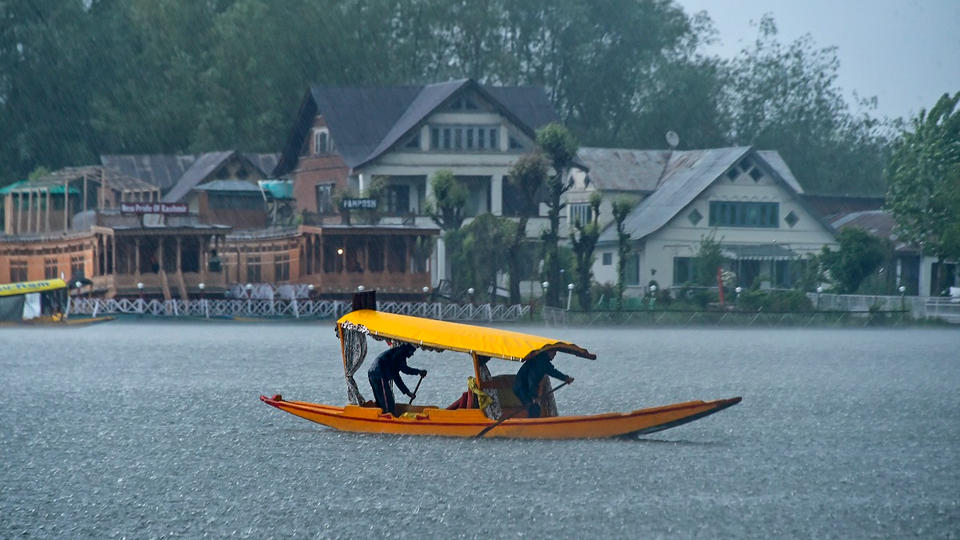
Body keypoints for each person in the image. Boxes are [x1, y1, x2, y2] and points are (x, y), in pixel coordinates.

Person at [367, 343, 427, 416]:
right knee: (386, 400)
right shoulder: (400, 353)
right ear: (408, 350)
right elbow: (405, 369)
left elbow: (396, 377)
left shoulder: (395, 356)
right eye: (412, 352)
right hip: (379, 374)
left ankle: (386, 415)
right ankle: (388, 417)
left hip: (374, 374)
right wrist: (419, 372)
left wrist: (407, 392)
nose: (412, 355)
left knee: (385, 399)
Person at [512, 350, 574, 418]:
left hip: (523, 387)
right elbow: (532, 379)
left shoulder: (543, 361)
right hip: (521, 387)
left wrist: (565, 378)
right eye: (554, 352)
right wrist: (534, 396)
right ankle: (529, 427)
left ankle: (533, 425)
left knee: (536, 409)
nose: (555, 355)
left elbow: (553, 372)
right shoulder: (540, 362)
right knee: (533, 410)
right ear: (548, 352)